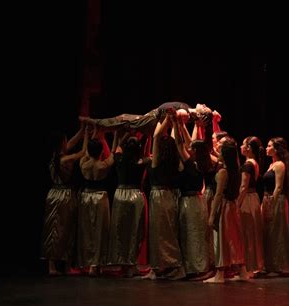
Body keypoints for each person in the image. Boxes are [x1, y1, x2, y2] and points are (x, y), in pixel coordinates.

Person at [143, 110, 185, 280]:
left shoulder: (157, 160)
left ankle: (175, 266)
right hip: (170, 196)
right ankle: (158, 267)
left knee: (162, 233)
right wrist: (174, 123)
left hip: (160, 197)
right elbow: (179, 143)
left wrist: (167, 120)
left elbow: (156, 136)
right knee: (166, 232)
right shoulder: (176, 159)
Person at [41, 122, 86, 275]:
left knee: (53, 229)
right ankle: (60, 266)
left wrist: (81, 130)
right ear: (62, 143)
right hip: (65, 196)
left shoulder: (55, 156)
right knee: (65, 229)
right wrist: (87, 136)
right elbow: (82, 153)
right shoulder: (64, 159)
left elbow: (72, 143)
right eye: (65, 141)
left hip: (53, 194)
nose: (68, 143)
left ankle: (56, 266)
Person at [171, 113, 211, 278]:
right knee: (193, 233)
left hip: (190, 201)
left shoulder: (192, 164)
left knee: (192, 233)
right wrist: (180, 125)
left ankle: (198, 267)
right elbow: (186, 144)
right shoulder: (201, 163)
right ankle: (194, 266)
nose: (190, 148)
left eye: (192, 148)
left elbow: (180, 145)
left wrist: (176, 124)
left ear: (195, 151)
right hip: (195, 201)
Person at [106, 131, 150, 277]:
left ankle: (121, 262)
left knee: (120, 229)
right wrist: (146, 136)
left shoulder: (119, 159)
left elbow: (117, 147)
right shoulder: (142, 161)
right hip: (135, 196)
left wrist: (126, 134)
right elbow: (146, 154)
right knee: (134, 231)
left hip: (120, 195)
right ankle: (131, 265)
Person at [204, 137, 247, 283]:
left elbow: (217, 195)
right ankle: (242, 271)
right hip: (233, 206)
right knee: (235, 239)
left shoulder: (223, 172)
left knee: (222, 239)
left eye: (220, 150)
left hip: (224, 207)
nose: (218, 151)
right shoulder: (236, 170)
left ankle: (220, 274)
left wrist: (211, 216)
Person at [78, 126, 115, 276]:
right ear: (100, 151)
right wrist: (119, 136)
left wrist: (89, 135)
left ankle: (88, 262)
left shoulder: (83, 164)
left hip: (86, 197)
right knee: (101, 230)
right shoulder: (103, 166)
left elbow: (86, 151)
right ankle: (96, 263)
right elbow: (113, 153)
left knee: (87, 230)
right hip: (100, 198)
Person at [80, 102, 213, 136]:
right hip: (152, 117)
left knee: (124, 119)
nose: (204, 105)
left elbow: (173, 129)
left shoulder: (184, 114)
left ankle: (93, 123)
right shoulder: (187, 110)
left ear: (201, 115)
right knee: (125, 124)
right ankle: (96, 128)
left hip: (152, 120)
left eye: (205, 108)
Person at [261, 137, 289, 277]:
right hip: (268, 199)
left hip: (277, 201)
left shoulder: (279, 165)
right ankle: (269, 265)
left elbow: (278, 187)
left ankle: (277, 266)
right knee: (269, 233)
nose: (266, 148)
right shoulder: (271, 164)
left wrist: (272, 206)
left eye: (269, 146)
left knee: (277, 233)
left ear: (276, 149)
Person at [237, 136, 265, 277]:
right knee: (253, 233)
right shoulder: (254, 162)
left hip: (247, 199)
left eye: (242, 144)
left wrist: (237, 204)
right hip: (253, 198)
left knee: (247, 234)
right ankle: (254, 265)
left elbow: (243, 187)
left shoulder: (248, 164)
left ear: (248, 148)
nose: (240, 147)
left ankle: (249, 267)